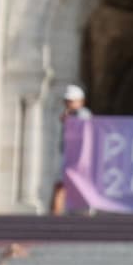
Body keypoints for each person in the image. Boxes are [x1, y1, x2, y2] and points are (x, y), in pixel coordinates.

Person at [47, 85, 90, 216]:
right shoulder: (67, 115)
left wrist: (70, 121)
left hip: (79, 157)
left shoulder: (83, 115)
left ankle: (84, 213)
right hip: (67, 155)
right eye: (67, 101)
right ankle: (55, 214)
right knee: (60, 185)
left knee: (79, 185)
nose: (68, 104)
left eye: (71, 101)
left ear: (80, 101)